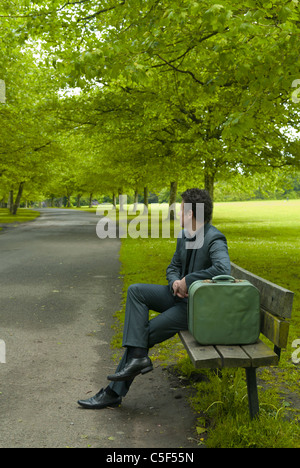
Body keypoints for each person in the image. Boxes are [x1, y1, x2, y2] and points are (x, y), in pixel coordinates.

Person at [78, 188, 231, 410]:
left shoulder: (214, 238)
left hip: (196, 309)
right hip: (178, 297)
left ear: (191, 213)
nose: (178, 214)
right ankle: (138, 357)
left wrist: (188, 280)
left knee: (143, 334)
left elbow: (222, 268)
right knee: (136, 291)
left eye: (181, 210)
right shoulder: (185, 234)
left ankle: (113, 392)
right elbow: (173, 266)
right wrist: (175, 283)